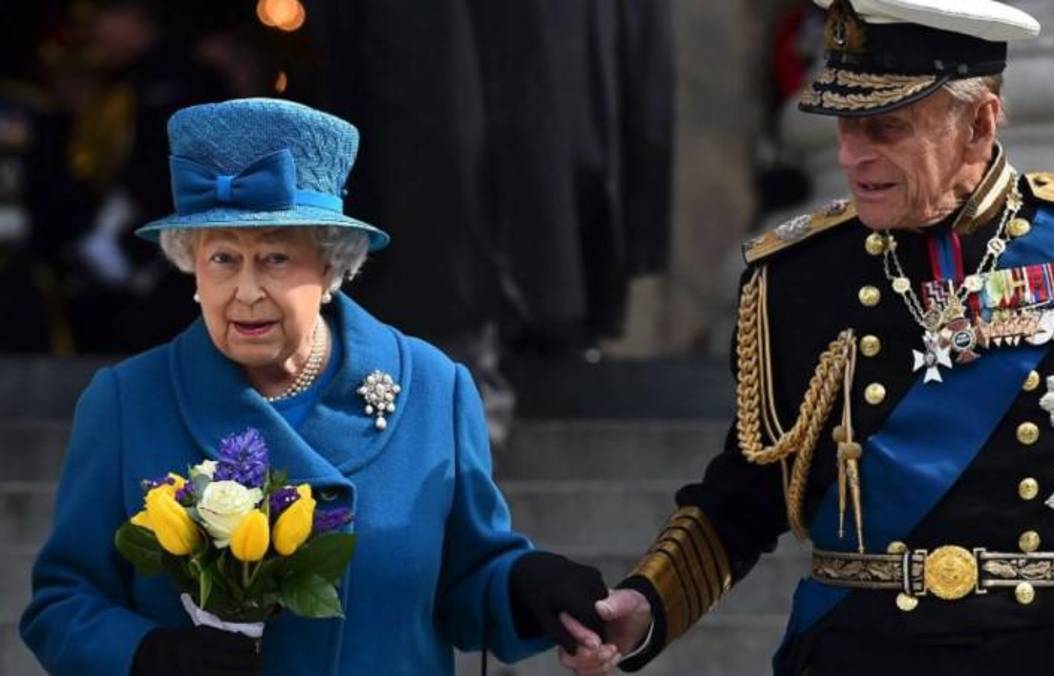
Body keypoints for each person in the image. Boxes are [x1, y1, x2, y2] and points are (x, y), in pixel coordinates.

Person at [560, 1, 1054, 674]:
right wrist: (648, 602)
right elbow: (750, 490)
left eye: (886, 126)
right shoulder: (796, 276)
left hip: (1044, 653)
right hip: (848, 652)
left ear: (979, 123)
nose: (852, 156)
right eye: (845, 126)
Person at [20, 98, 612, 676]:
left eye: (275, 258)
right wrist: (149, 653)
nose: (246, 291)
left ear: (331, 266)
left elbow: (468, 582)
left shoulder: (434, 388)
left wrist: (528, 586)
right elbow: (63, 604)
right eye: (223, 259)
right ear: (191, 266)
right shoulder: (127, 401)